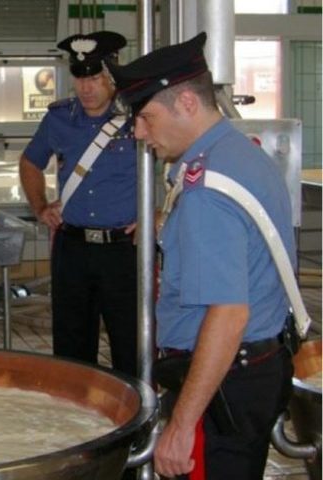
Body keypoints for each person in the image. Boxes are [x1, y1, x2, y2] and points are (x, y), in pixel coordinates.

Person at [109, 32, 295, 479]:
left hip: (222, 383)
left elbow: (228, 313)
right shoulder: (238, 155)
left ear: (188, 103)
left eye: (147, 118)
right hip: (255, 367)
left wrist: (183, 422)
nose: (138, 132)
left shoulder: (206, 194)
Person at [19, 31, 138, 377]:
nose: (87, 87)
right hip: (72, 249)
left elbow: (182, 162)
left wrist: (161, 214)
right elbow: (30, 163)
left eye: (96, 77)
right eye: (80, 77)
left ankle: (136, 423)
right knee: (72, 352)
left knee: (131, 346)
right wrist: (41, 206)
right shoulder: (59, 118)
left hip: (124, 250)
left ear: (113, 74)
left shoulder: (138, 116)